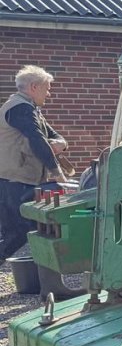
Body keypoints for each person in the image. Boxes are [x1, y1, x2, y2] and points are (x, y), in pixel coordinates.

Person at [0, 65, 68, 261]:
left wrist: (62, 143)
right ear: (34, 87)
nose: (49, 93)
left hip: (22, 179)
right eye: (47, 88)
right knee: (18, 231)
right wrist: (56, 172)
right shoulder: (19, 108)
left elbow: (51, 134)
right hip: (13, 180)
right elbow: (37, 139)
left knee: (23, 228)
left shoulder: (30, 108)